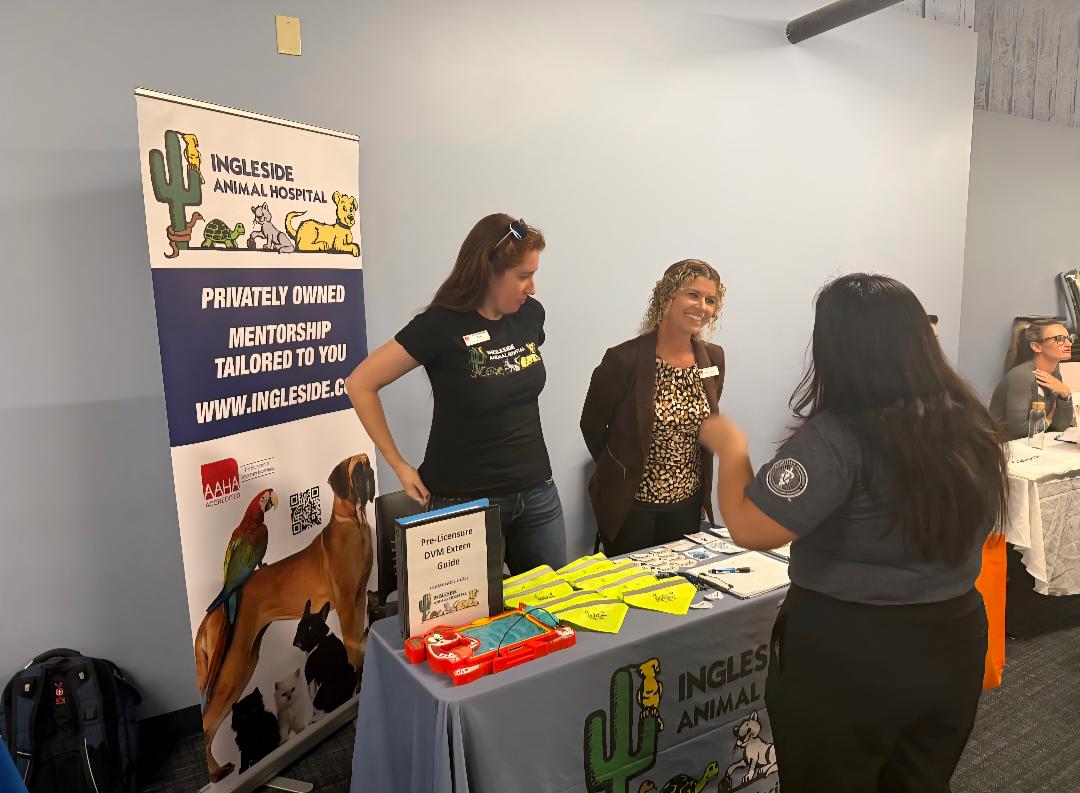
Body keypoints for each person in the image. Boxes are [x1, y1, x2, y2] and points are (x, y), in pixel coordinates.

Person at [699, 273, 1007, 793]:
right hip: (952, 635)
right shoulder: (967, 419)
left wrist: (731, 449)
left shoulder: (837, 436)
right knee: (920, 777)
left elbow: (751, 528)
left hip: (850, 651)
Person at [344, 213, 566, 574]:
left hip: (537, 493)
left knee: (554, 612)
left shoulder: (530, 317)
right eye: (523, 276)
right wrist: (398, 464)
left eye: (533, 274)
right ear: (488, 272)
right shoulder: (440, 325)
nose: (532, 288)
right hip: (464, 501)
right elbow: (360, 384)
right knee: (470, 625)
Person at [580, 260, 726, 555]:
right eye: (693, 295)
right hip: (632, 507)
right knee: (631, 591)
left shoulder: (713, 359)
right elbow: (592, 426)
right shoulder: (623, 360)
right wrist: (623, 467)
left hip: (687, 504)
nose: (702, 306)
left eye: (710, 300)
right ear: (667, 296)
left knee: (678, 588)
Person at [989, 319, 1074, 439]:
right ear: (1036, 346)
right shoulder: (1021, 376)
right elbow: (1020, 429)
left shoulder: (1055, 374)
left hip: (1034, 446)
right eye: (1059, 339)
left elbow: (1060, 426)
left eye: (1069, 338)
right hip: (1006, 449)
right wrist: (1050, 418)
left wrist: (1065, 394)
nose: (1069, 344)